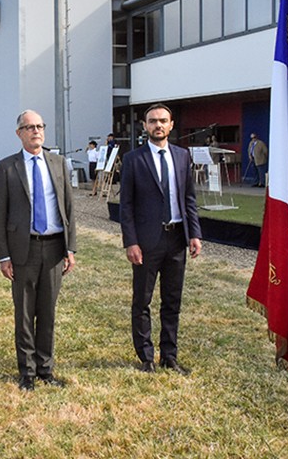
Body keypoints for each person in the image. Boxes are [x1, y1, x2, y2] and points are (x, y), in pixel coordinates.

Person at [0, 109, 76, 392]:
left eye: (40, 126)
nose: (36, 131)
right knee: (25, 313)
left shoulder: (58, 163)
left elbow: (68, 208)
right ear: (19, 133)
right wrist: (4, 255)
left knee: (48, 311)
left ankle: (45, 369)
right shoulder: (7, 167)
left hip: (54, 248)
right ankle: (27, 372)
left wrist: (71, 247)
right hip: (23, 250)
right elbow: (0, 214)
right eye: (29, 127)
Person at [119, 103, 202, 375]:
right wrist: (130, 241)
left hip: (177, 239)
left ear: (171, 124)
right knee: (142, 301)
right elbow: (126, 205)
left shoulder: (181, 156)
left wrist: (195, 234)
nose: (158, 125)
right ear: (145, 126)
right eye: (153, 121)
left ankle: (169, 356)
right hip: (145, 242)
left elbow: (189, 199)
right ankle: (146, 357)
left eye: (163, 121)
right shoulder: (133, 159)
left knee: (172, 301)